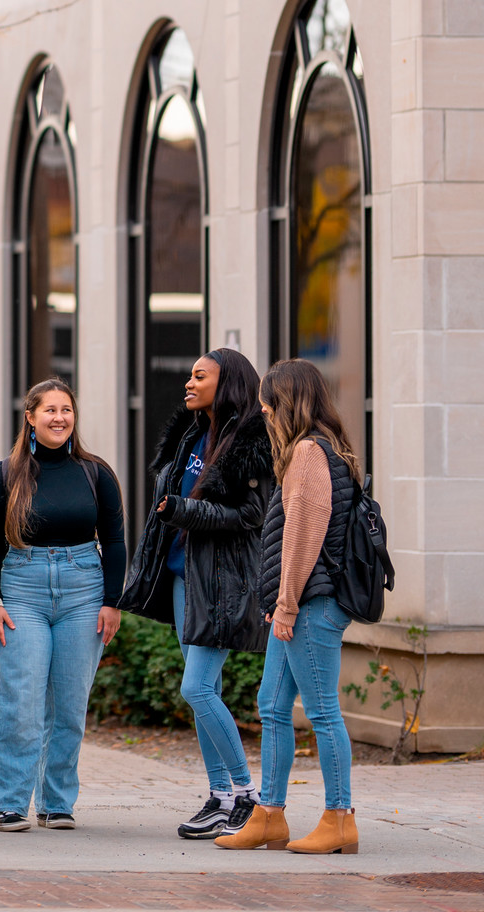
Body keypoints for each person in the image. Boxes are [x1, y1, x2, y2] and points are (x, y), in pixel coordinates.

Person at [119, 348, 272, 839]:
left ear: (226, 383)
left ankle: (249, 796)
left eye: (199, 376)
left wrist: (186, 511)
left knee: (197, 688)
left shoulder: (252, 440)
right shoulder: (192, 434)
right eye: (189, 375)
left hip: (223, 583)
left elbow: (253, 518)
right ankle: (219, 796)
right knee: (204, 691)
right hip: (185, 576)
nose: (188, 382)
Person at [216, 357, 360, 857]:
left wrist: (286, 604)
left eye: (268, 402)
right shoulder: (329, 447)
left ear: (287, 402)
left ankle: (340, 818)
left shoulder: (307, 452)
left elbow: (303, 535)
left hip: (310, 605)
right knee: (272, 707)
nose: (263, 411)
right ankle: (270, 816)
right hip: (302, 603)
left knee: (321, 712)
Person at [0, 378, 125, 834]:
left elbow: (116, 542)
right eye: (50, 410)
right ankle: (1, 803)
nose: (60, 418)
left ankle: (56, 802)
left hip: (84, 588)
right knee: (20, 701)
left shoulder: (95, 473)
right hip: (21, 587)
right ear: (30, 417)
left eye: (67, 410)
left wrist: (112, 602)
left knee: (69, 705)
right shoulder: (4, 475)